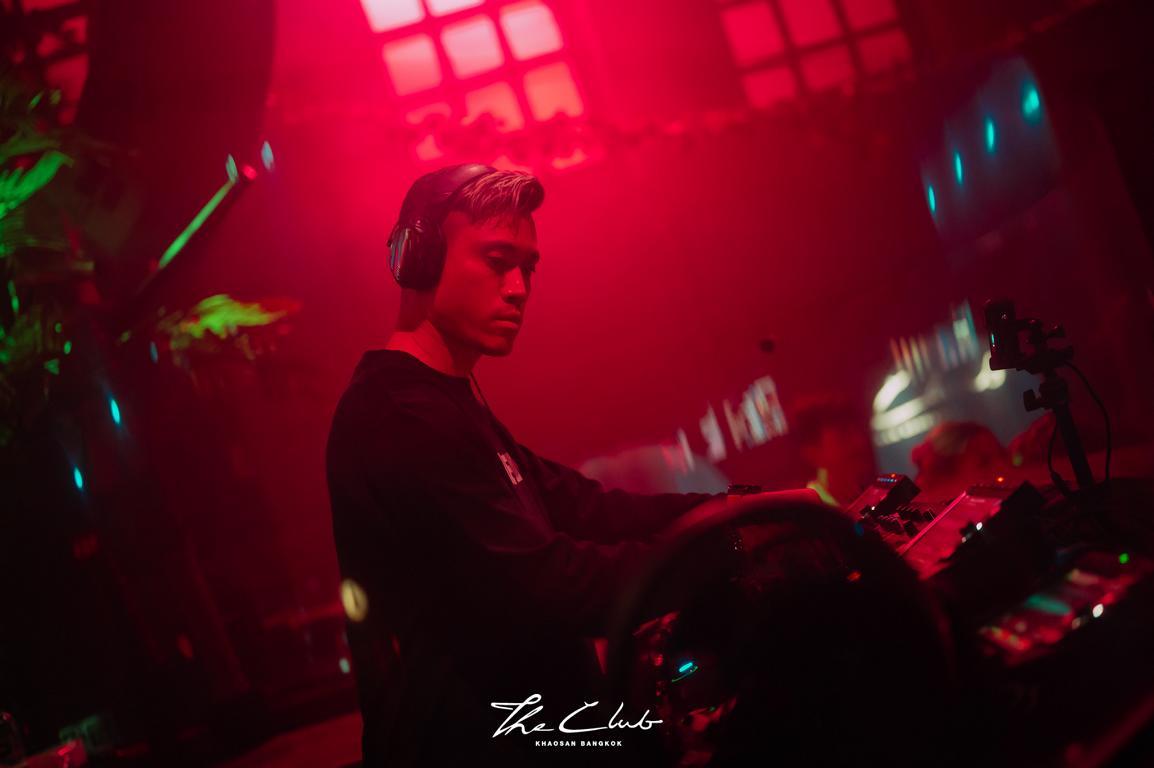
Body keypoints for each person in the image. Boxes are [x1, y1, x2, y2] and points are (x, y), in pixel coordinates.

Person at [325, 164, 739, 766]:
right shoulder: (402, 417)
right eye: (498, 262)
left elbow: (584, 507)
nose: (519, 288)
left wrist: (731, 511)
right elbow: (549, 586)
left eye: (528, 269)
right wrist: (723, 551)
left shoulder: (447, 405)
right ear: (419, 258)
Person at [790, 394, 876, 508]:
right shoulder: (813, 514)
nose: (860, 442)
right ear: (814, 454)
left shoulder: (871, 492)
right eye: (844, 436)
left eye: (859, 430)